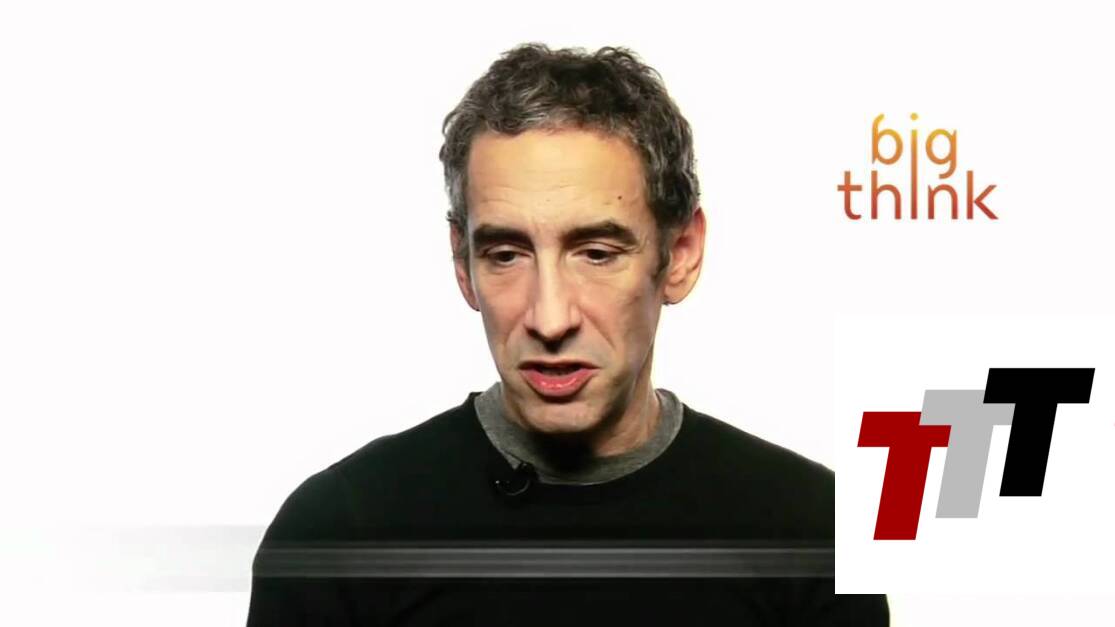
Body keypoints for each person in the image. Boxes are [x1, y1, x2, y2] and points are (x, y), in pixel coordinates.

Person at [246, 42, 889, 626]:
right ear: (462, 265)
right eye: (506, 254)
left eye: (597, 253)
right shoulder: (339, 533)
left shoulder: (810, 531)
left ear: (680, 255)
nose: (550, 319)